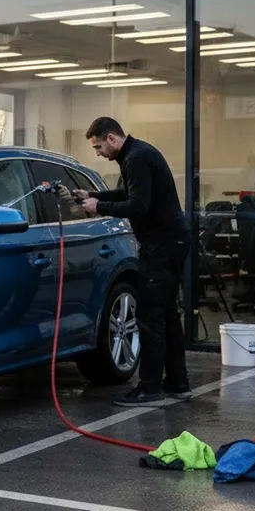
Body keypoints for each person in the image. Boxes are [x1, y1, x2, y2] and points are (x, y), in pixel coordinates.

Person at [66, 117, 192, 406]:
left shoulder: (136, 159)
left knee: (149, 315)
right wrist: (93, 194)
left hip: (161, 245)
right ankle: (177, 382)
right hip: (171, 241)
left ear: (111, 138)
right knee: (167, 313)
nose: (97, 153)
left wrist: (99, 207)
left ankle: (149, 387)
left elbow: (138, 205)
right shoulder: (137, 154)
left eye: (98, 146)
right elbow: (129, 193)